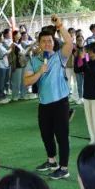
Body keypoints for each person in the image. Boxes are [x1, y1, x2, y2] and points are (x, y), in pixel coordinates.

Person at [24, 17, 75, 180]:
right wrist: (40, 71)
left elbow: (69, 42)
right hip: (44, 104)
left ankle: (64, 168)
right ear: (39, 43)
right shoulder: (34, 61)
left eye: (49, 41)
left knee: (62, 136)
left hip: (60, 103)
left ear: (54, 42)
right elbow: (26, 82)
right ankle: (52, 161)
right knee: (46, 134)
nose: (47, 44)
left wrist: (59, 25)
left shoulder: (60, 56)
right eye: (43, 41)